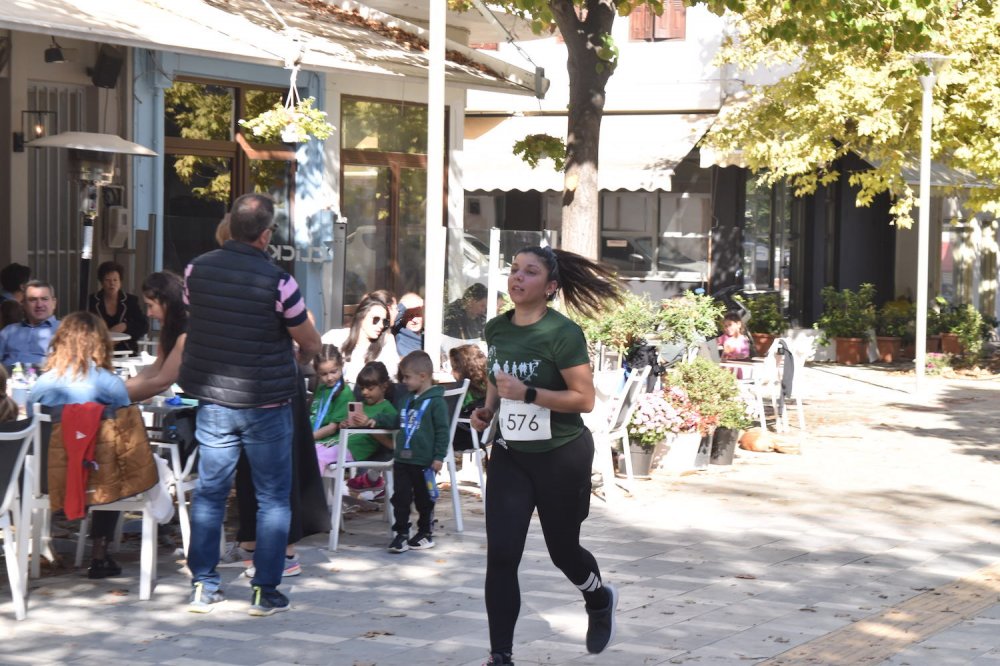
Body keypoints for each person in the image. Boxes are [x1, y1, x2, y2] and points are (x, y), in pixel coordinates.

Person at [470, 246, 623, 665]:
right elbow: (497, 379)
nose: (517, 278)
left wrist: (530, 394)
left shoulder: (563, 333)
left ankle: (597, 597)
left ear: (550, 287)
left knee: (563, 551)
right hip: (511, 455)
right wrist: (488, 410)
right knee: (501, 555)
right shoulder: (497, 329)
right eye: (514, 270)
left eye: (530, 272)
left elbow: (584, 399)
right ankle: (500, 655)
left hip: (561, 456)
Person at [180, 193, 321, 616]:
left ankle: (204, 586)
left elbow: (199, 317)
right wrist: (301, 356)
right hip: (267, 403)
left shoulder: (195, 271)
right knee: (273, 498)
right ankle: (265, 589)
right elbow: (309, 340)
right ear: (265, 234)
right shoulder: (279, 281)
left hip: (215, 401)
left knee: (209, 493)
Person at [30, 312, 131, 579]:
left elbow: (31, 424)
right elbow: (125, 428)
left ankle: (38, 547)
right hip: (98, 481)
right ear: (101, 343)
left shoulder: (42, 384)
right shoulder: (110, 383)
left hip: (48, 480)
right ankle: (100, 552)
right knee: (114, 457)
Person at [385, 351, 449, 554]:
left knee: (424, 499)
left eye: (407, 377)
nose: (404, 381)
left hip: (424, 461)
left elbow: (442, 431)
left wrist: (439, 456)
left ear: (423, 376)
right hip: (402, 459)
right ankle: (401, 533)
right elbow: (396, 419)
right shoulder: (406, 399)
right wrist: (375, 420)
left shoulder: (436, 402)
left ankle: (425, 532)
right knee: (400, 498)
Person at [126, 272, 188, 402]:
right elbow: (155, 369)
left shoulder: (185, 337)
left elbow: (162, 382)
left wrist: (116, 397)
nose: (148, 313)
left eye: (150, 305)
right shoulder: (174, 331)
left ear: (166, 303)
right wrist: (118, 389)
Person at [341, 361, 399, 492]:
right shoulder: (361, 406)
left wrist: (368, 427)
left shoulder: (387, 410)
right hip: (343, 445)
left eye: (370, 389)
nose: (365, 393)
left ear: (384, 387)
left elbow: (392, 444)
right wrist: (345, 424)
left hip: (355, 453)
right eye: (362, 388)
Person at [321, 296, 399, 384]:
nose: (381, 325)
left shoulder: (386, 343)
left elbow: (391, 377)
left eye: (384, 322)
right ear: (361, 316)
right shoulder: (335, 336)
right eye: (375, 319)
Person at [87, 261, 149, 355]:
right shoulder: (91, 301)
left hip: (126, 351)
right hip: (98, 351)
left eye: (115, 280)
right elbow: (84, 326)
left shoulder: (130, 301)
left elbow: (143, 325)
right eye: (107, 280)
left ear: (120, 281)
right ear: (101, 282)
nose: (112, 283)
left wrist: (125, 326)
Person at [0, 280, 59, 370]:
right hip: (9, 380)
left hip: (47, 381)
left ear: (54, 303)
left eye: (44, 299)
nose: (39, 305)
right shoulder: (9, 331)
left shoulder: (65, 330)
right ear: (23, 304)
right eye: (33, 300)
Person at [449, 343, 488, 453]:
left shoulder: (467, 394)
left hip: (467, 436)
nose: (451, 372)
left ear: (464, 370)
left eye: (454, 368)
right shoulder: (489, 388)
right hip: (484, 436)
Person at [393, 292, 424, 357]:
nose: (415, 320)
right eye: (410, 316)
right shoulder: (400, 332)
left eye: (418, 315)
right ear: (402, 318)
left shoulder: (427, 336)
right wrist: (405, 305)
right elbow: (393, 317)